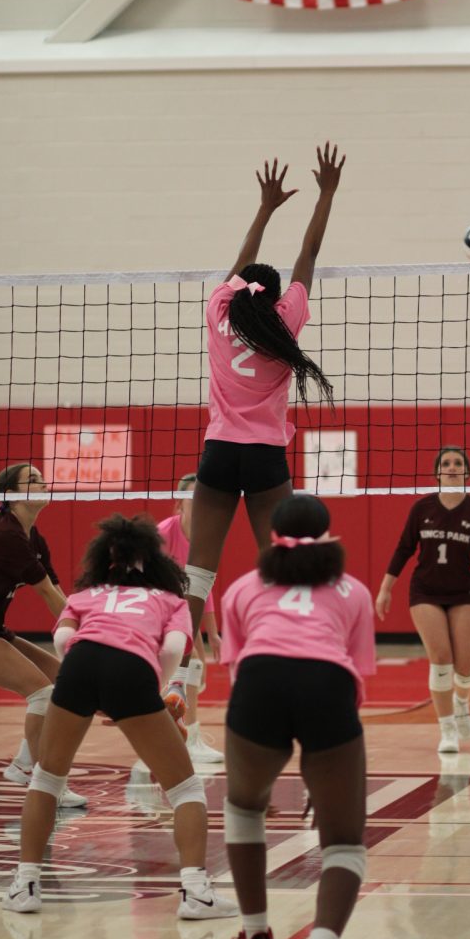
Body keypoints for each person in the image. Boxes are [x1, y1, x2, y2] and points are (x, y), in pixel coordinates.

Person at [172, 145, 344, 705]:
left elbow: (236, 269)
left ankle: (177, 674)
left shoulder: (220, 312)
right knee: (284, 559)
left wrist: (265, 208)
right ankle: (291, 656)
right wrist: (326, 193)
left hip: (219, 453)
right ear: (276, 297)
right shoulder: (286, 322)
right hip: (267, 457)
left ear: (243, 288)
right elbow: (310, 252)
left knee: (199, 570)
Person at [1, 513, 237, 921]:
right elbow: (175, 650)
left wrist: (90, 689)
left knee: (46, 779)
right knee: (185, 790)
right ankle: (197, 893)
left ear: (104, 561)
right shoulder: (171, 600)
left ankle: (25, 885)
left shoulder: (85, 596)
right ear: (155, 562)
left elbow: (63, 640)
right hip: (133, 670)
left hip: (79, 666)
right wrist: (152, 695)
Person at [220, 493, 374, 939]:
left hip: (259, 681)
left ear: (271, 537)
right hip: (327, 685)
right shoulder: (354, 591)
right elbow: (355, 675)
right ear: (330, 536)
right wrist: (328, 772)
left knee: (244, 807)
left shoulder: (242, 588)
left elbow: (238, 667)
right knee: (345, 839)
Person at [375, 447, 470, 753]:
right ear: (438, 472)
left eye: (458, 463)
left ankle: (461, 703)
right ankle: (447, 729)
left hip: (462, 592)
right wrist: (385, 588)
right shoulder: (422, 508)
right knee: (441, 659)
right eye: (446, 463)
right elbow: (404, 549)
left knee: (467, 668)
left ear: (467, 472)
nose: (452, 467)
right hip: (425, 591)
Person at [0, 464, 86, 809]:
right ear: (10, 496)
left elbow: (60, 594)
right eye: (31, 480)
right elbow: (48, 595)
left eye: (41, 477)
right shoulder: (6, 535)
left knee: (61, 682)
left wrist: (79, 628)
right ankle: (43, 780)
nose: (43, 483)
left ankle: (22, 764)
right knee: (43, 694)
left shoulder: (33, 536)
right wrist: (86, 640)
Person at [157, 474, 223, 763]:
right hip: (152, 605)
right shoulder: (163, 534)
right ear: (179, 503)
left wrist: (213, 634)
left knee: (194, 663)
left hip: (179, 609)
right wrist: (194, 637)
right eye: (192, 497)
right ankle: (183, 735)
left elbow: (203, 592)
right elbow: (152, 584)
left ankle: (184, 734)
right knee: (192, 661)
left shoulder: (204, 538)